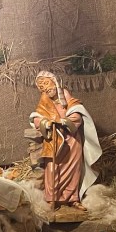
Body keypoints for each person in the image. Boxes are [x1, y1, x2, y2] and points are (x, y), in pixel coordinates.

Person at [29, 70, 102, 211]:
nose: (45, 88)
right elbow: (36, 118)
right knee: (52, 169)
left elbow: (77, 115)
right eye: (41, 87)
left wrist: (64, 121)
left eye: (46, 83)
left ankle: (73, 198)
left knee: (73, 169)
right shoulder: (44, 101)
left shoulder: (66, 96)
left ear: (54, 81)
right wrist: (45, 122)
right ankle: (52, 198)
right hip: (53, 140)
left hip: (71, 140)